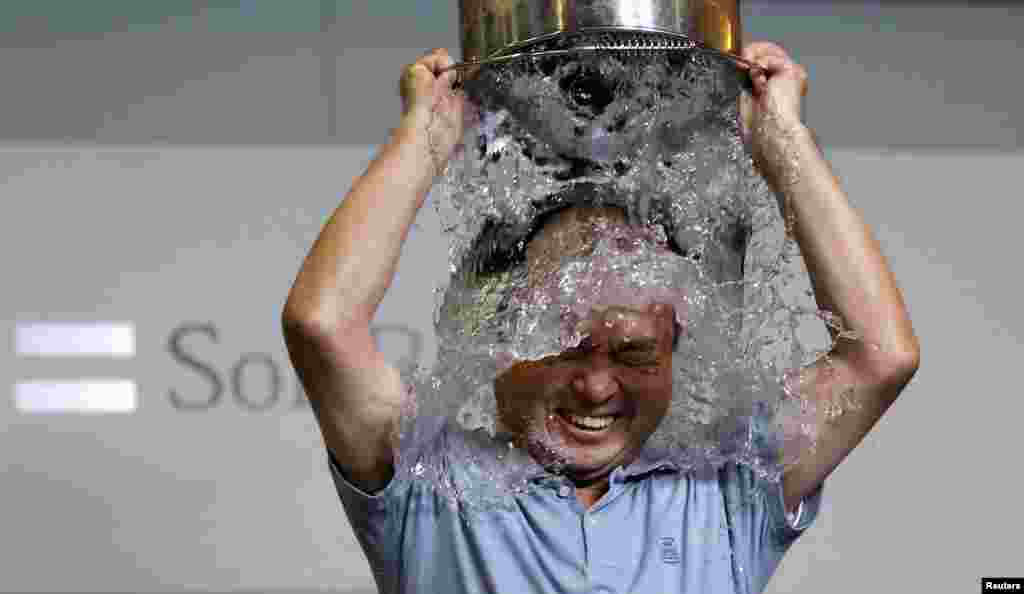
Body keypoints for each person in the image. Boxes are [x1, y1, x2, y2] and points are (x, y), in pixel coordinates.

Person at [282, 41, 919, 594]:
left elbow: (879, 356)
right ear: (498, 339)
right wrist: (425, 137)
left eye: (636, 354)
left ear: (675, 352)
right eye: (562, 344)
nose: (595, 385)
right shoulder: (428, 480)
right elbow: (322, 325)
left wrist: (783, 141)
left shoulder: (728, 490)